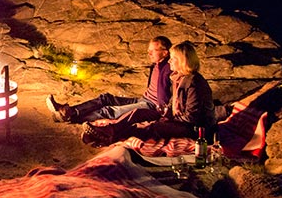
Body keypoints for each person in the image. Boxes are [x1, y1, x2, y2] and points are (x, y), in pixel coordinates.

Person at [81, 40, 216, 147]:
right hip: (177, 118)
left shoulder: (194, 82)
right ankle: (110, 129)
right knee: (138, 113)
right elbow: (172, 103)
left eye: (173, 58)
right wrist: (166, 112)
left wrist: (168, 119)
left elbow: (192, 117)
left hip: (192, 128)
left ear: (182, 60)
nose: (169, 61)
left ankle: (108, 137)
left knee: (152, 127)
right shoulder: (178, 78)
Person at [46, 36, 173, 124]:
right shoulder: (156, 65)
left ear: (165, 52)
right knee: (105, 98)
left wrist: (163, 112)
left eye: (152, 51)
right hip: (143, 99)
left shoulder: (170, 68)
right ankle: (69, 111)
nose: (149, 54)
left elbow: (174, 94)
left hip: (151, 105)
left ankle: (71, 117)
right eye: (148, 51)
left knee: (109, 111)